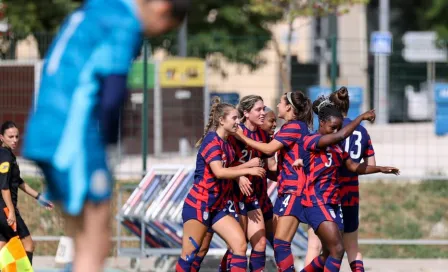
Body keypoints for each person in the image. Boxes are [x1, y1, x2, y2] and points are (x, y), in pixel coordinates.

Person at [22, 1, 190, 271]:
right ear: (162, 7)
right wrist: (111, 145)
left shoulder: (98, 8)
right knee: (95, 242)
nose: (155, 33)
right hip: (73, 135)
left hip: (48, 128)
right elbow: (112, 92)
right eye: (164, 28)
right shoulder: (124, 23)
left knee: (82, 239)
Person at [298, 97, 399, 272]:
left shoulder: (337, 148)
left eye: (338, 127)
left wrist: (380, 168)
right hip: (316, 202)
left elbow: (353, 166)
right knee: (337, 249)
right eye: (332, 127)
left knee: (328, 252)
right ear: (321, 123)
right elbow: (342, 135)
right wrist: (361, 118)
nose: (335, 131)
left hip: (332, 202)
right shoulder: (311, 140)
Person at [176, 97, 266, 272]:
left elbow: (230, 167)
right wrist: (247, 171)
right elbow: (219, 172)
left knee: (240, 245)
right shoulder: (211, 142)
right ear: (221, 120)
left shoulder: (227, 144)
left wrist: (247, 166)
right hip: (199, 205)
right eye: (234, 118)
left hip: (217, 207)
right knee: (190, 253)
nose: (237, 122)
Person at [234, 91, 314, 272]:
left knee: (279, 244)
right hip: (280, 191)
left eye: (280, 102)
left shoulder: (293, 127)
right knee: (243, 245)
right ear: (246, 113)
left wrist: (244, 138)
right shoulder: (287, 128)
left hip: (294, 190)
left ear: (288, 107)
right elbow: (274, 169)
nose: (275, 106)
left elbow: (269, 149)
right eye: (259, 109)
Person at [330, 87, 376, 272]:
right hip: (351, 194)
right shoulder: (362, 132)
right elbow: (371, 164)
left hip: (330, 192)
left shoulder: (331, 130)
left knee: (319, 247)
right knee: (352, 247)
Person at [0, 121, 53, 265]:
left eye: (16, 137)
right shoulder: (5, 157)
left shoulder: (8, 156)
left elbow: (18, 182)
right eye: (10, 137)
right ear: (1, 138)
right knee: (28, 245)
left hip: (3, 212)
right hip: (7, 211)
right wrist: (11, 211)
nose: (15, 140)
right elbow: (4, 187)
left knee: (3, 249)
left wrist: (39, 197)